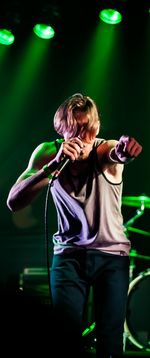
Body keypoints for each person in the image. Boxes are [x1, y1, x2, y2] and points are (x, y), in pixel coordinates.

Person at [7, 93, 142, 358]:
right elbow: (13, 201)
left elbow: (117, 153)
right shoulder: (48, 152)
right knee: (64, 338)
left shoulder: (104, 149)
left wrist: (125, 151)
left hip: (111, 256)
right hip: (69, 257)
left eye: (90, 129)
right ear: (62, 130)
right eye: (77, 131)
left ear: (98, 127)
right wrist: (53, 166)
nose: (85, 138)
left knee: (110, 340)